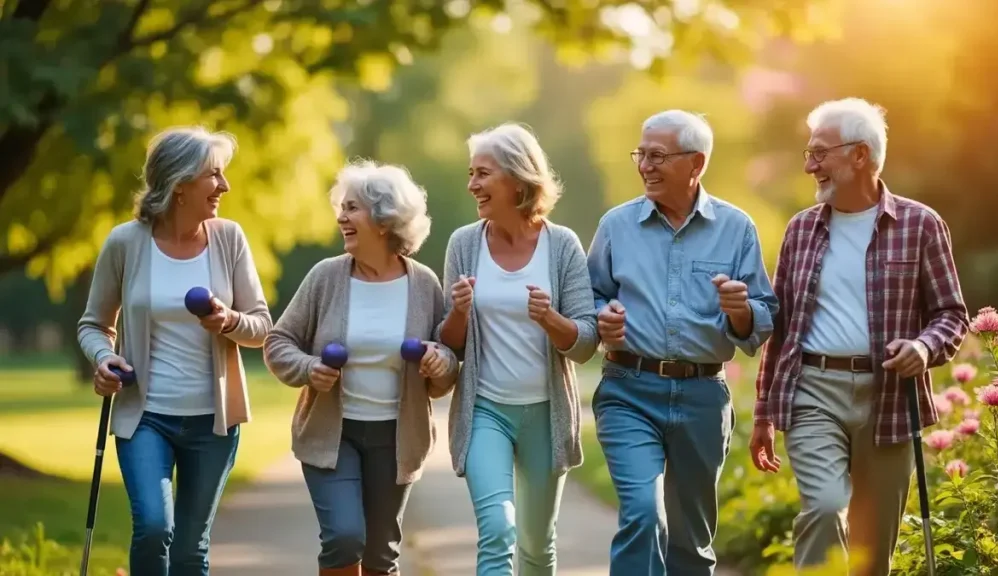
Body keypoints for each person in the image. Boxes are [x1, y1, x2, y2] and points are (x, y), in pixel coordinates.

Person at [750, 98, 969, 575]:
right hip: (813, 391)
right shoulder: (801, 230)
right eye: (808, 153)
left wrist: (922, 347)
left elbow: (951, 314)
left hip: (889, 397)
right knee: (825, 507)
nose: (809, 165)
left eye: (819, 153)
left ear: (860, 155)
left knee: (872, 555)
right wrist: (764, 414)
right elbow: (780, 327)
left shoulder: (920, 225)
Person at [586, 110, 778, 575]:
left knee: (691, 541)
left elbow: (765, 313)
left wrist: (740, 310)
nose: (645, 166)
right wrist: (601, 316)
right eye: (641, 154)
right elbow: (590, 295)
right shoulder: (617, 225)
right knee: (642, 514)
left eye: (657, 156)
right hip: (628, 391)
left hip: (702, 397)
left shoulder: (737, 228)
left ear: (696, 163)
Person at [77, 126, 272, 576]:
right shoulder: (126, 242)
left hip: (213, 423)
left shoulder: (229, 239)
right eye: (214, 175)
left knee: (189, 550)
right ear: (180, 183)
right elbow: (94, 324)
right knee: (151, 526)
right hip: (146, 417)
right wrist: (103, 358)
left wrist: (229, 320)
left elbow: (262, 326)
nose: (224, 186)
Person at [263, 159, 460, 576]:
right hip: (333, 434)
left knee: (381, 553)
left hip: (396, 436)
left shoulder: (422, 284)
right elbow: (278, 342)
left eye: (353, 208)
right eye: (342, 207)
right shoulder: (325, 277)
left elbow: (445, 368)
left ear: (385, 220)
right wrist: (309, 367)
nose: (342, 217)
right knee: (343, 537)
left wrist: (435, 360)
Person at [437, 122, 599, 576]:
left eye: (482, 174)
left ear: (516, 177)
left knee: (535, 546)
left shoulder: (561, 245)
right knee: (497, 530)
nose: (472, 185)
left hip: (545, 416)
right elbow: (450, 346)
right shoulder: (464, 244)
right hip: (485, 409)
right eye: (471, 173)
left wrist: (551, 319)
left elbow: (585, 343)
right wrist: (458, 313)